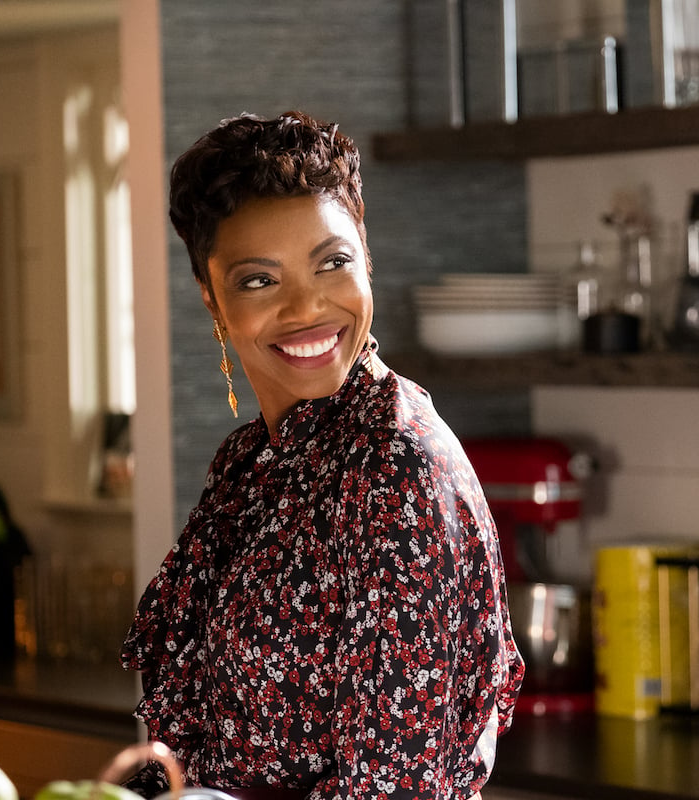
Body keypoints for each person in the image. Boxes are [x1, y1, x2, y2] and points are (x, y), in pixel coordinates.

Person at [120, 110, 525, 800]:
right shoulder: (249, 464)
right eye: (259, 280)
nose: (308, 307)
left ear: (366, 257)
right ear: (212, 300)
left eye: (332, 262)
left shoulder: (396, 469)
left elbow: (393, 789)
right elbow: (192, 733)